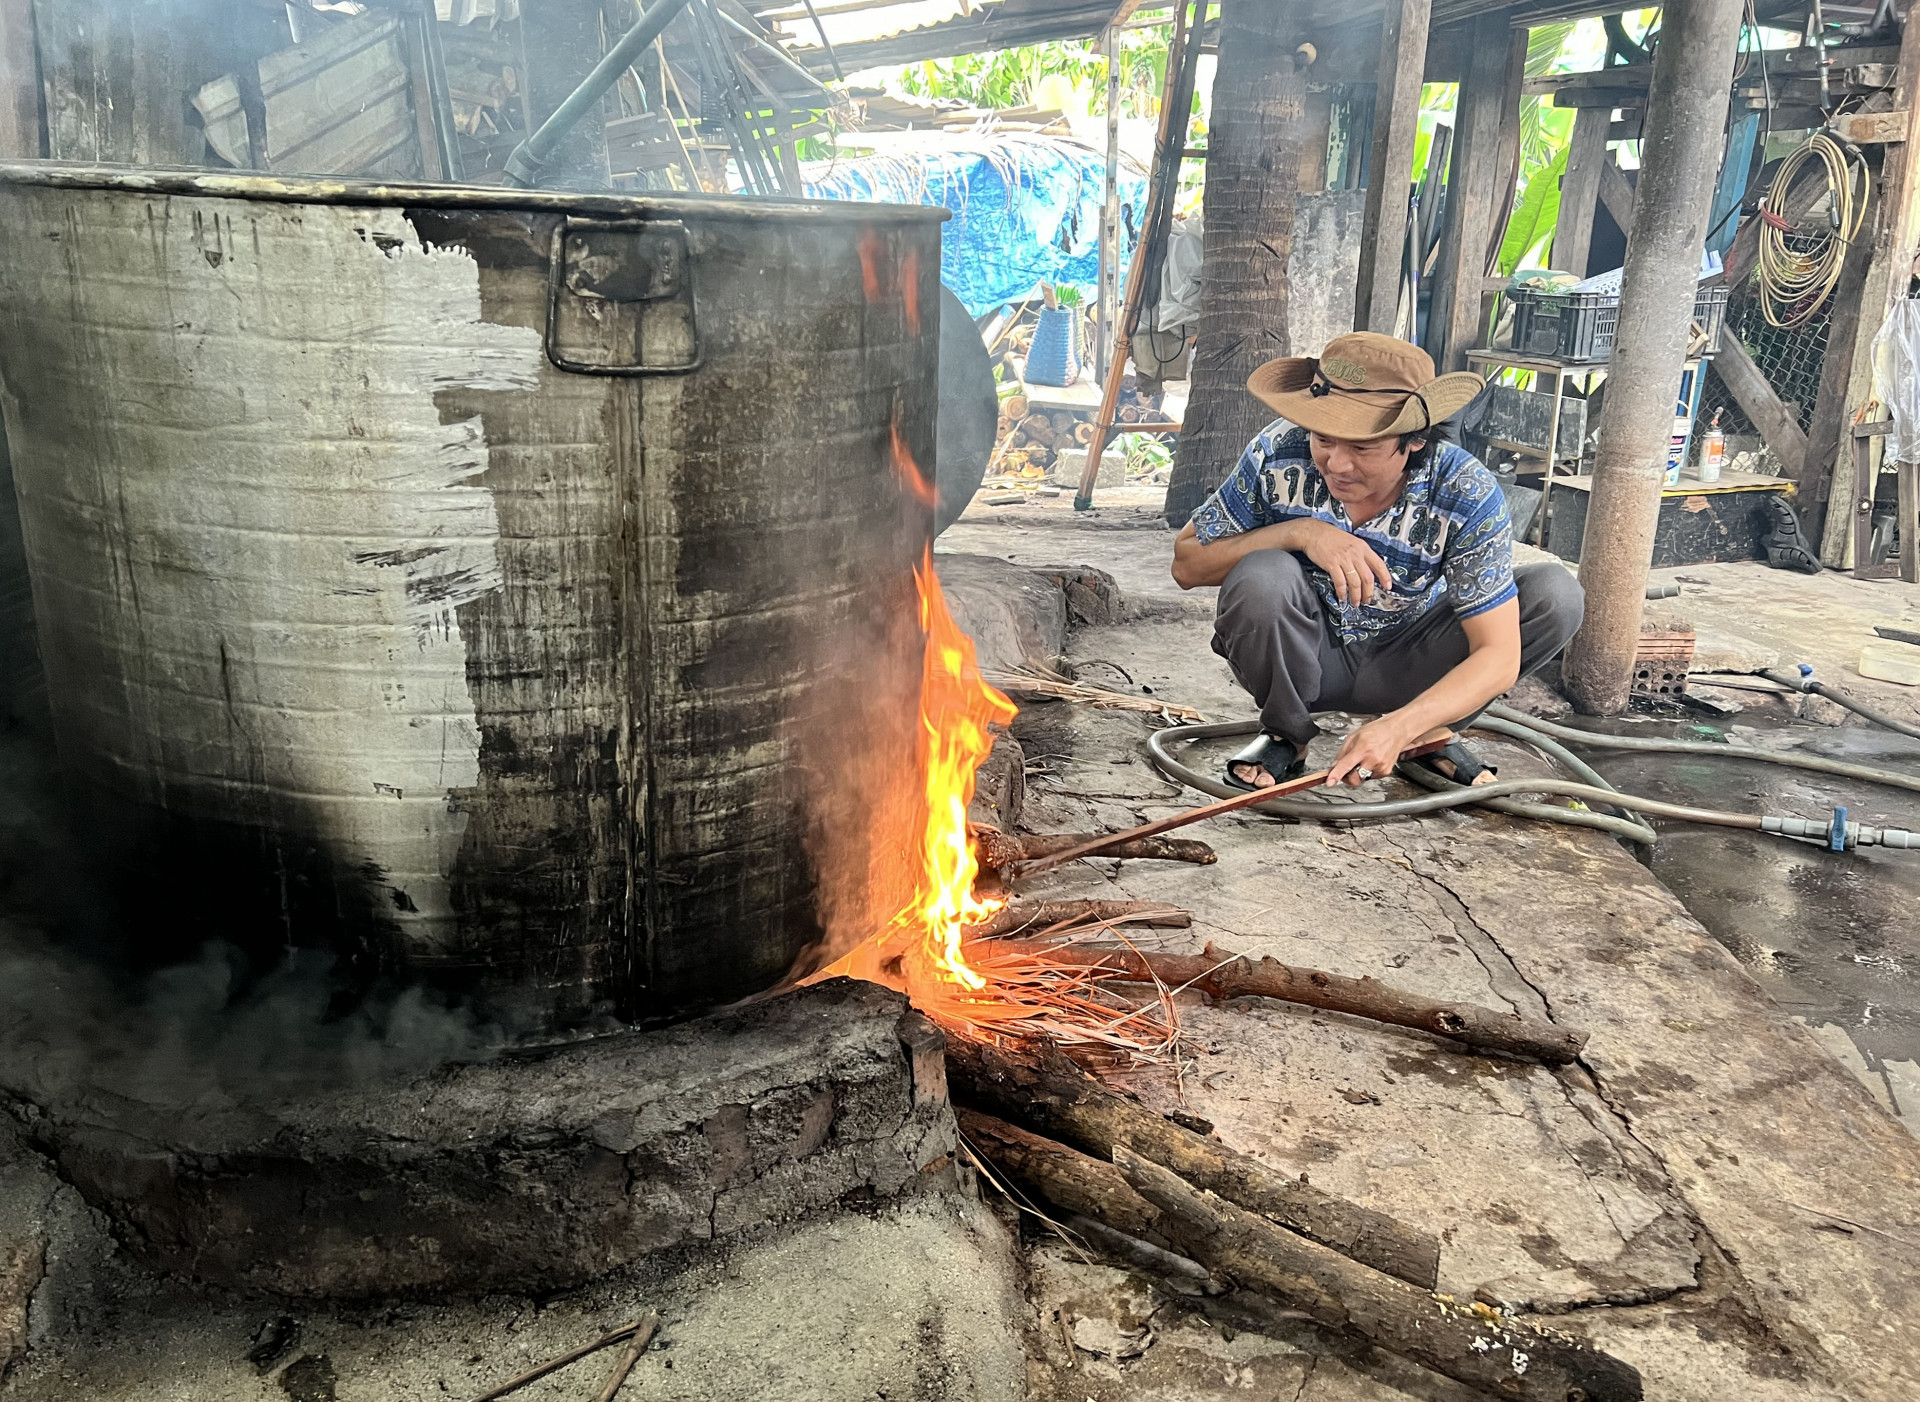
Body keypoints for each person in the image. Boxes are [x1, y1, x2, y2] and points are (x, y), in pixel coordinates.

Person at [1170, 331, 1585, 791]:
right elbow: (1187, 565)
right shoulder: (1276, 452)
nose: (1338, 464)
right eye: (1324, 439)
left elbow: (1499, 655)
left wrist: (1397, 729)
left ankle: (1426, 736)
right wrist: (1299, 533)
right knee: (1261, 574)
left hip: (1410, 662)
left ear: (1415, 442)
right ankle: (1287, 734)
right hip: (1305, 659)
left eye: (1363, 448)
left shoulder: (1464, 488)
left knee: (1555, 594)